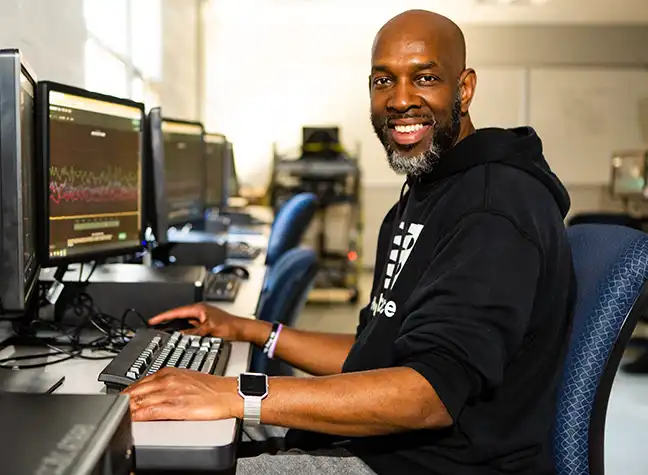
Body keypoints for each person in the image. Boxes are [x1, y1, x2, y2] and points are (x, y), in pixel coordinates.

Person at [123, 9, 575, 475]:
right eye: (383, 81)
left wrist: (235, 394)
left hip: (434, 463)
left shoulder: (492, 209)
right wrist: (251, 331)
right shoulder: (424, 195)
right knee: (149, 433)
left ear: (464, 88)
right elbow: (373, 352)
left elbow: (429, 395)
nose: (400, 100)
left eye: (424, 77)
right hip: (387, 441)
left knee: (160, 463)